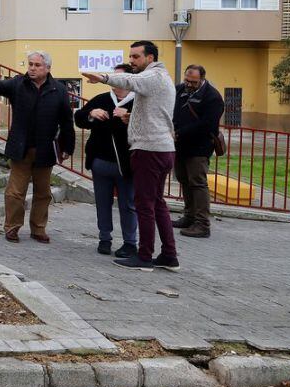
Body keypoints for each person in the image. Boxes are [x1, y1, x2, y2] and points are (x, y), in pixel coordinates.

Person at [83, 41, 179, 272]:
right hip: (161, 148)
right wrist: (131, 120)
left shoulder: (153, 76)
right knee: (157, 203)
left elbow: (129, 80)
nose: (132, 61)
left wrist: (103, 77)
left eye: (136, 57)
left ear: (150, 57)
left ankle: (144, 256)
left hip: (149, 150)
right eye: (131, 56)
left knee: (144, 204)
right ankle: (169, 255)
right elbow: (153, 112)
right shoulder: (158, 78)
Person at [0, 51, 75, 244]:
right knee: (15, 192)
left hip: (45, 151)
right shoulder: (18, 84)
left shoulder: (59, 90)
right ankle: (12, 227)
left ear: (47, 68)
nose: (32, 68)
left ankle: (38, 229)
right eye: (30, 64)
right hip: (21, 149)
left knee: (43, 193)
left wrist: (67, 147)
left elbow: (67, 121)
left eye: (37, 65)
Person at [75, 63, 137, 258]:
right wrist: (90, 114)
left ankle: (130, 242)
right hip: (100, 161)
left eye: (119, 78)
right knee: (102, 202)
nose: (114, 81)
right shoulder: (102, 99)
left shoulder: (139, 101)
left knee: (128, 204)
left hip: (127, 164)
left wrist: (129, 117)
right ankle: (104, 238)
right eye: (113, 77)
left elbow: (150, 124)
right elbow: (79, 118)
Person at [172, 64, 225, 238]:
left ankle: (202, 224)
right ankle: (189, 217)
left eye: (193, 81)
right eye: (187, 80)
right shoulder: (180, 90)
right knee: (183, 179)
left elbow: (207, 124)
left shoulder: (212, 97)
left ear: (202, 79)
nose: (189, 84)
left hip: (199, 147)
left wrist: (179, 132)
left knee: (198, 183)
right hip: (180, 145)